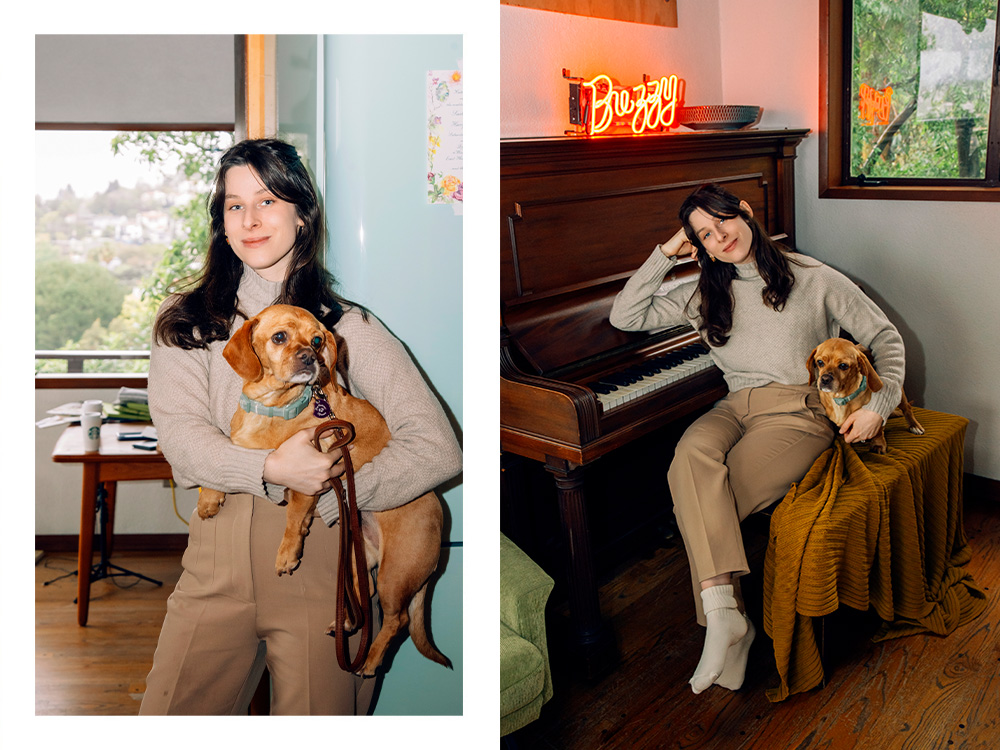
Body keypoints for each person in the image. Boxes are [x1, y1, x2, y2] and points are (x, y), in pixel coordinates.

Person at [139, 138, 462, 715]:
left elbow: (440, 448)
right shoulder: (188, 322)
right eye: (234, 206)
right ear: (221, 223)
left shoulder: (348, 328)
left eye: (267, 200)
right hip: (215, 561)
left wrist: (339, 495)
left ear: (301, 212)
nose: (250, 219)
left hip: (324, 564)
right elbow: (181, 441)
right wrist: (268, 467)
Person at [609, 183, 905, 694]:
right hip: (733, 406)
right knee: (688, 459)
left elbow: (885, 338)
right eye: (703, 233)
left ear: (744, 211)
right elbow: (625, 316)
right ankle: (732, 622)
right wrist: (666, 252)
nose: (718, 236)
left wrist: (880, 405)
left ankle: (724, 622)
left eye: (722, 221)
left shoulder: (814, 278)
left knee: (706, 502)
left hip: (797, 412)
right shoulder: (705, 289)